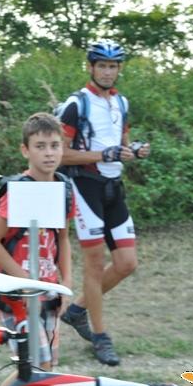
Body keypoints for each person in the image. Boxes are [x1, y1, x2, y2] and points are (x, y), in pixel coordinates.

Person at [57, 41, 151, 366]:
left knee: (127, 263)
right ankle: (100, 336)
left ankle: (77, 310)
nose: (108, 72)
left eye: (113, 67)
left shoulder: (121, 103)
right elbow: (60, 153)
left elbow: (120, 144)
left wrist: (133, 150)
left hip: (114, 188)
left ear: (118, 69)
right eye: (102, 66)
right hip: (86, 187)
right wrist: (102, 155)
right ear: (91, 67)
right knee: (95, 265)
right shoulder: (76, 104)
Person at [0, 113, 74, 378]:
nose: (49, 153)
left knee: (45, 368)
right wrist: (23, 280)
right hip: (18, 294)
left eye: (54, 145)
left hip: (50, 290)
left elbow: (63, 238)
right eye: (40, 146)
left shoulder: (64, 189)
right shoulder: (19, 191)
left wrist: (66, 284)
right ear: (25, 150)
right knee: (34, 366)